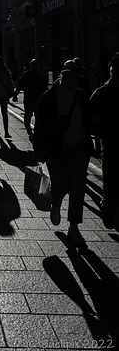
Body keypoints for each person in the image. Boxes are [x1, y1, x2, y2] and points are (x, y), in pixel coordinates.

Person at [33, 61, 93, 245]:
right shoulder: (48, 98)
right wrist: (39, 150)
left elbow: (90, 119)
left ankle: (74, 227)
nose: (69, 79)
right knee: (60, 184)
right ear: (61, 76)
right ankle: (56, 202)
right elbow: (40, 126)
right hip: (55, 148)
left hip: (79, 148)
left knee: (77, 188)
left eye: (73, 76)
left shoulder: (82, 97)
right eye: (66, 75)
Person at [90, 53, 119, 229]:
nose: (115, 73)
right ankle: (108, 209)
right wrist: (100, 130)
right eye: (113, 70)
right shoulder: (101, 93)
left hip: (110, 142)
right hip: (110, 144)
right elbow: (91, 117)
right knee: (110, 179)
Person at [14, 59, 48, 139]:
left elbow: (19, 85)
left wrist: (15, 94)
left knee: (29, 115)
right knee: (36, 115)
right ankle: (34, 130)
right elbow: (45, 89)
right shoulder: (41, 76)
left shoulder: (26, 74)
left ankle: (29, 129)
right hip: (36, 99)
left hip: (30, 98)